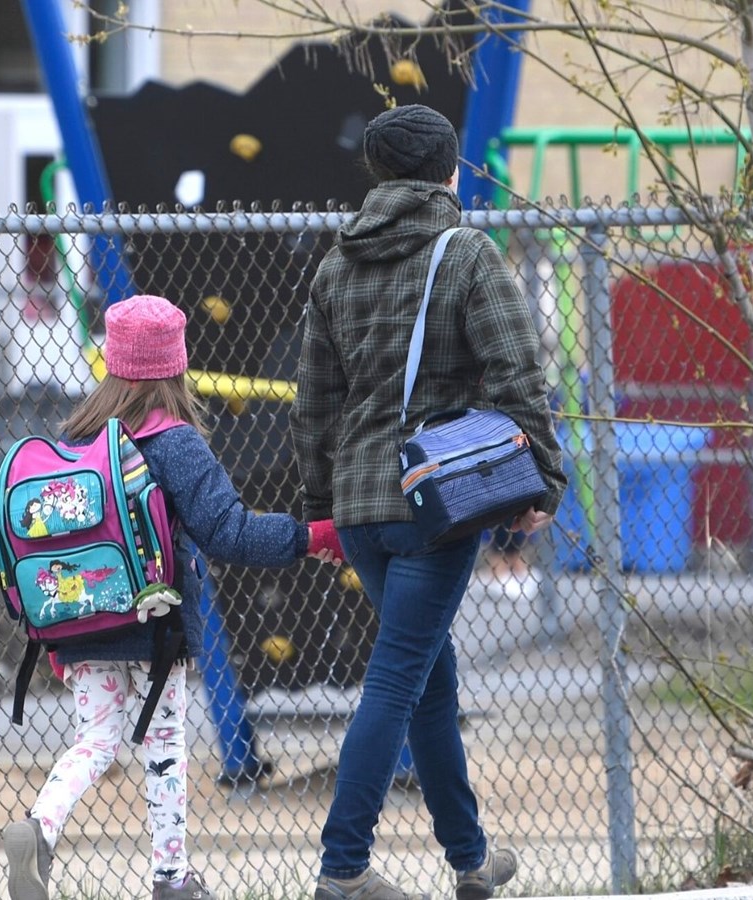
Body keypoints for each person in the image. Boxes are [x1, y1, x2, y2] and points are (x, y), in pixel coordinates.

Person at [290, 104, 567, 900]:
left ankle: (470, 862)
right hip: (433, 507)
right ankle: (343, 869)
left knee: (427, 676)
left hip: (358, 507)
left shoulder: (337, 267)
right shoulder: (468, 255)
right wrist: (541, 484)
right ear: (450, 173)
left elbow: (314, 402)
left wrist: (322, 505)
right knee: (398, 677)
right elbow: (519, 375)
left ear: (378, 175)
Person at [2, 293, 344, 900]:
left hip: (81, 621)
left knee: (96, 741)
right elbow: (229, 531)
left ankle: (41, 827)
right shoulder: (174, 442)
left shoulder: (77, 439)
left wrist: (56, 639)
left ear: (111, 364)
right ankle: (171, 878)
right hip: (155, 623)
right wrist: (311, 537)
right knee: (163, 746)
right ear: (175, 366)